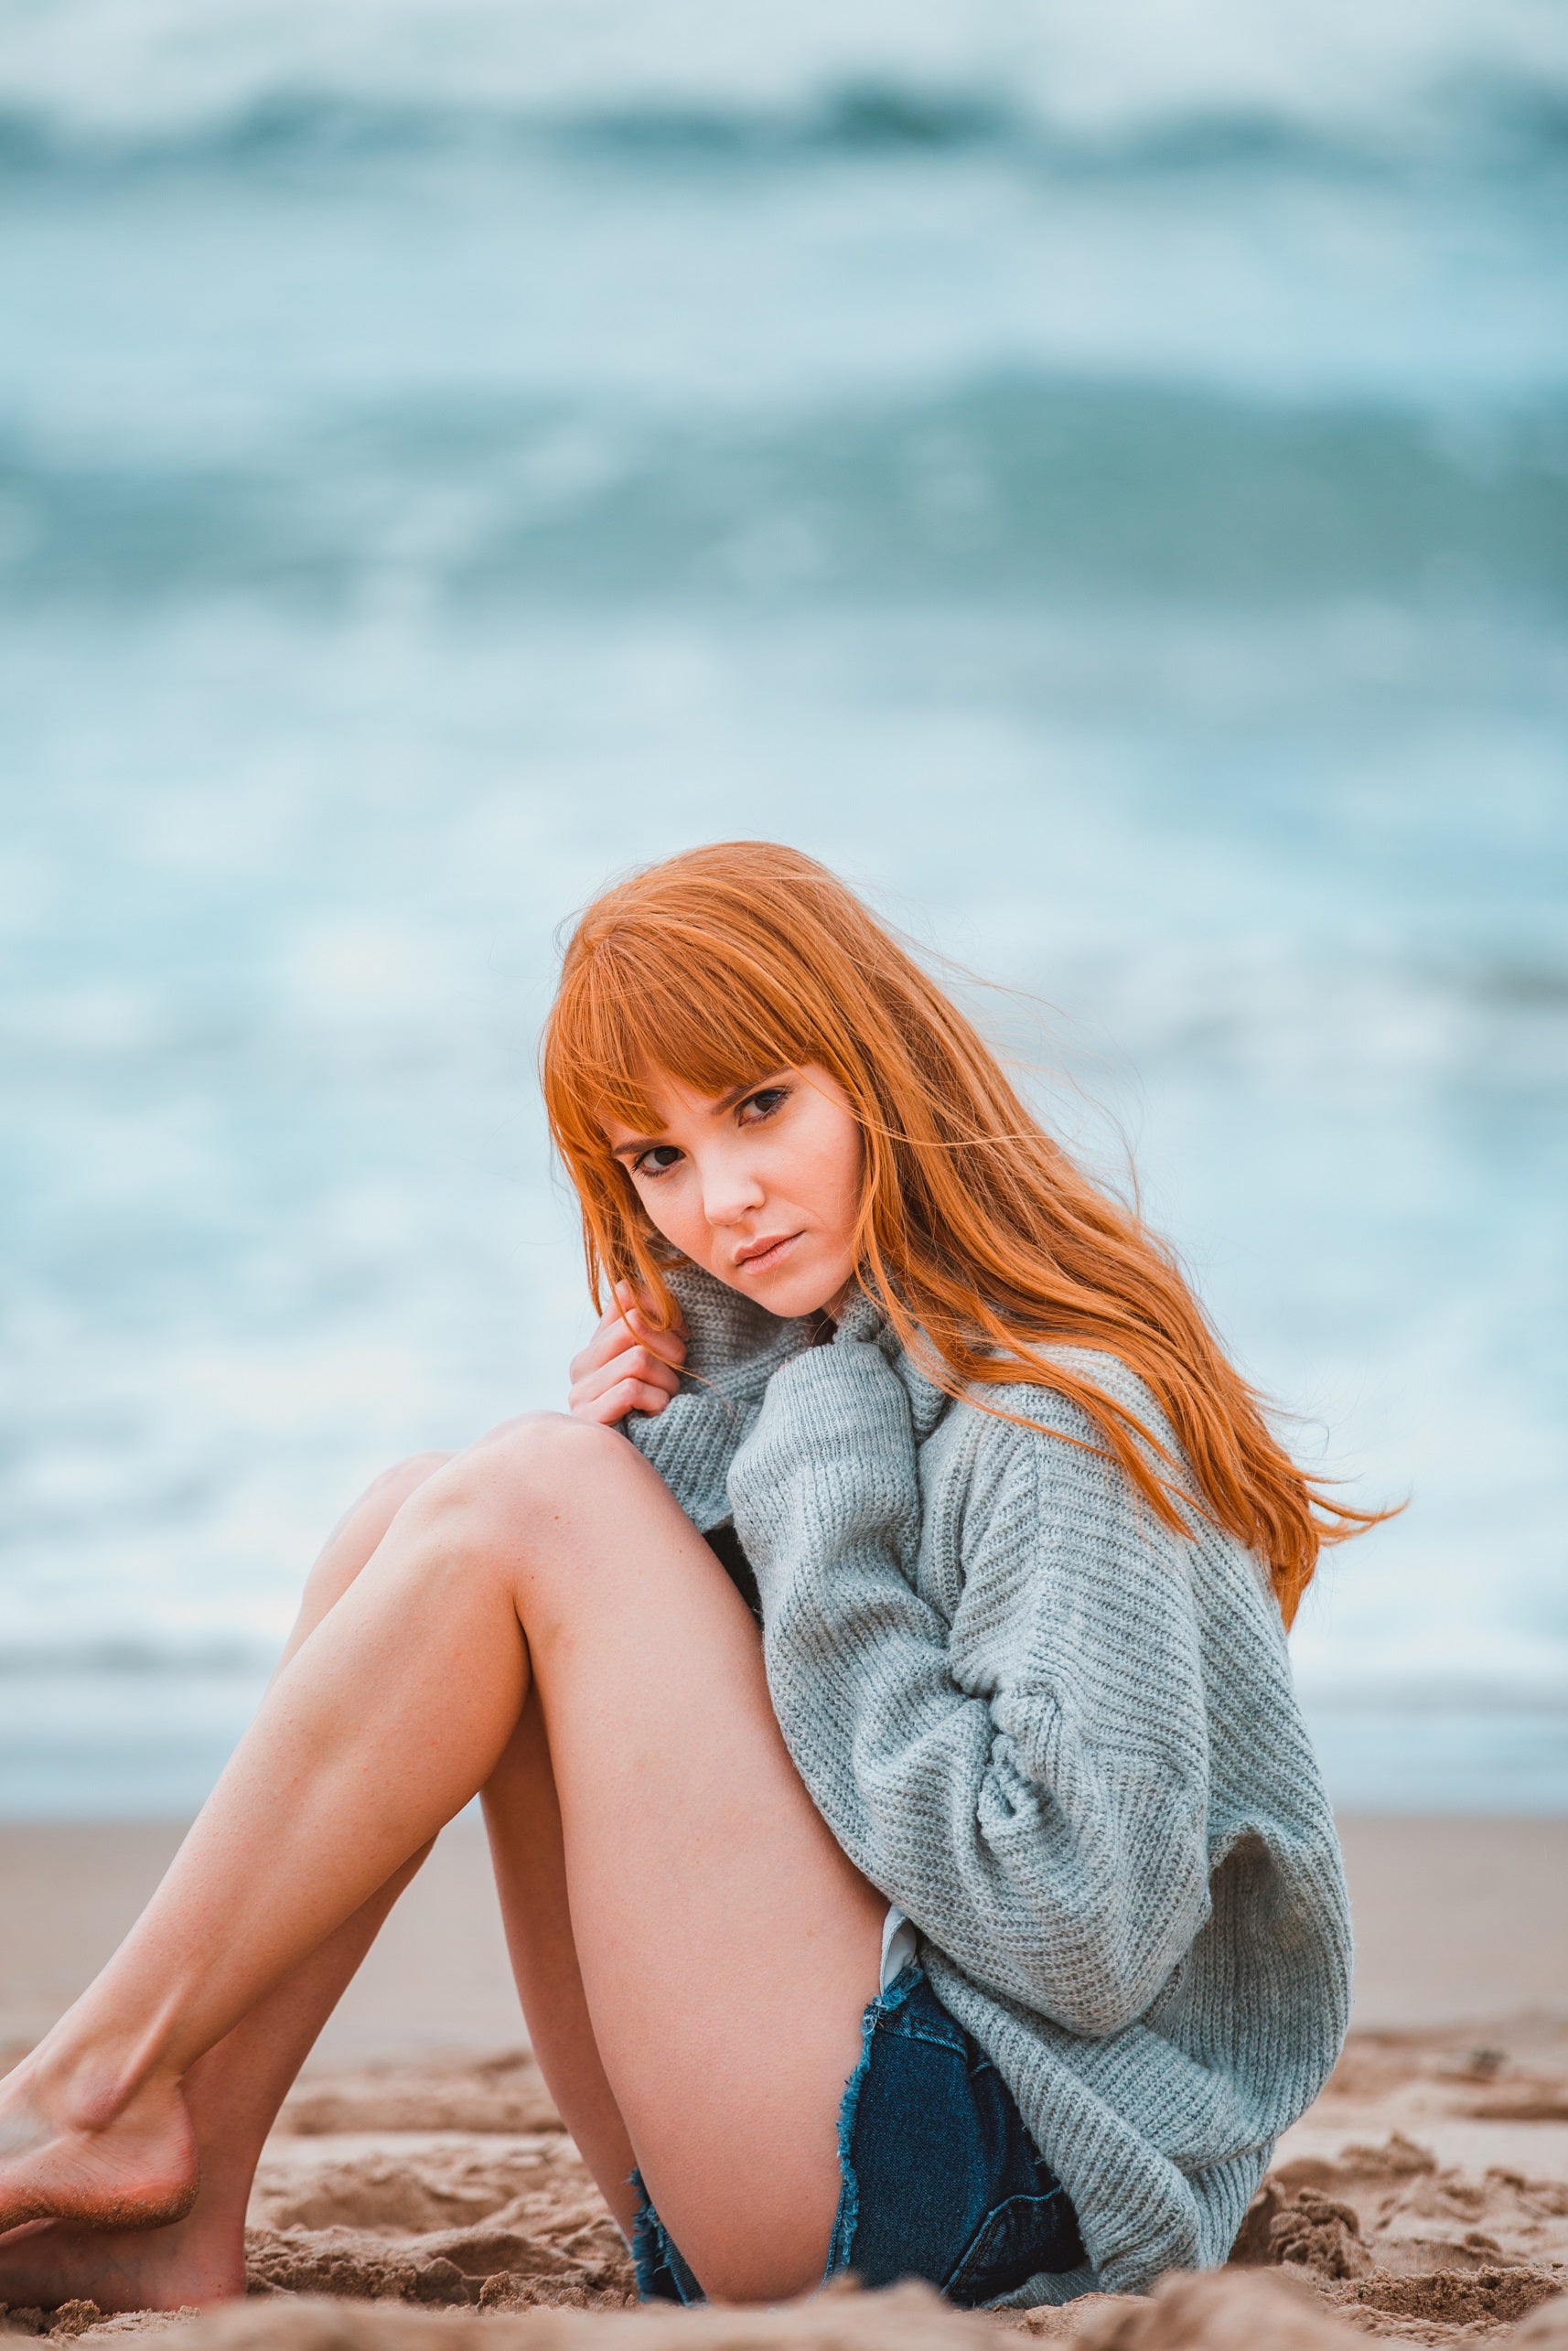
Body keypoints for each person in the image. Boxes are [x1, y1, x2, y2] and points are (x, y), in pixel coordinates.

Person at [0, 842, 1384, 2314]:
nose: (719, 1199)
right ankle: (179, 2185)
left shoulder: (1056, 1412)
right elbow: (788, 1768)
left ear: (880, 1065)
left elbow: (1072, 1934)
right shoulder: (838, 1381)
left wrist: (786, 1507)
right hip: (817, 2157)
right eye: (655, 1158)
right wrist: (680, 1449)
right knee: (415, 1511)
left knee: (529, 1492)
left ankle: (84, 2084)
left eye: (757, 1106)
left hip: (1008, 2189)